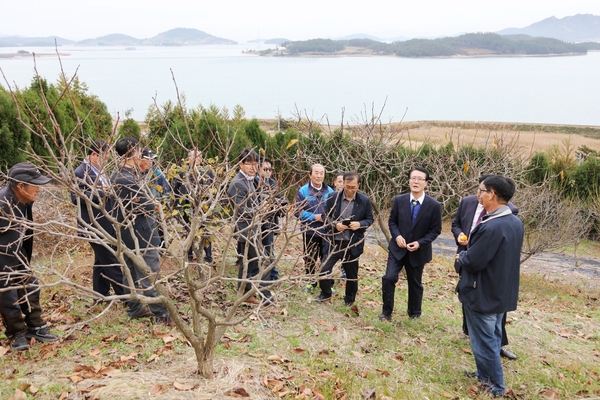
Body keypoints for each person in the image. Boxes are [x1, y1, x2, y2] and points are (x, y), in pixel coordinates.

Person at [455, 175, 524, 398]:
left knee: (484, 340)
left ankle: (495, 386)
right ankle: (483, 375)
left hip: (483, 292)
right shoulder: (514, 222)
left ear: (492, 194)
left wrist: (461, 257)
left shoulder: (493, 226)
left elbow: (474, 261)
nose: (479, 195)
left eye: (482, 191)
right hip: (500, 291)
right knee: (492, 337)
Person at [111, 137, 173, 325]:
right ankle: (161, 314)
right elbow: (147, 206)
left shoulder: (120, 174)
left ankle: (135, 307)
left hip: (128, 232)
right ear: (134, 153)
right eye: (138, 150)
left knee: (129, 271)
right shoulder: (126, 179)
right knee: (149, 273)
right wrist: (153, 205)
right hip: (141, 233)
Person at [0, 162, 58, 351]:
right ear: (20, 186)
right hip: (2, 256)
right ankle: (16, 331)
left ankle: (36, 325)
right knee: (7, 293)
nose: (39, 189)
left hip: (17, 250)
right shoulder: (2, 204)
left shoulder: (24, 200)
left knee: (30, 284)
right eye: (35, 184)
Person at [380, 167, 442, 321]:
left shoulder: (434, 205)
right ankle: (386, 312)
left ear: (426, 183)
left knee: (415, 283)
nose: (416, 181)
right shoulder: (399, 200)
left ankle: (414, 313)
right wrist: (398, 236)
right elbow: (392, 222)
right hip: (397, 249)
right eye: (413, 178)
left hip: (418, 251)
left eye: (420, 179)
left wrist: (420, 243)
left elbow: (435, 230)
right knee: (389, 277)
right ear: (408, 181)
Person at [72, 140, 126, 299]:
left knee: (101, 261)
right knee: (110, 260)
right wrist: (101, 193)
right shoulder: (80, 172)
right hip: (93, 224)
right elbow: (76, 199)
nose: (108, 159)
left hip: (106, 223)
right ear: (94, 154)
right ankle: (126, 297)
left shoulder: (100, 171)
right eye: (106, 155)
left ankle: (100, 294)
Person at [313, 172, 373, 306]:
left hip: (352, 243)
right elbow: (325, 216)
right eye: (347, 187)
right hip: (334, 242)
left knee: (351, 275)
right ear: (342, 184)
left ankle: (349, 300)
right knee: (324, 269)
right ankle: (325, 293)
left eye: (353, 187)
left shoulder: (364, 201)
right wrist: (335, 225)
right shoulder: (332, 197)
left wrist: (360, 224)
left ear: (358, 185)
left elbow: (369, 219)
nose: (350, 190)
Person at [227, 148, 273, 305]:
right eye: (249, 164)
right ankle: (267, 299)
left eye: (256, 164)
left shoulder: (249, 180)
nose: (253, 167)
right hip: (245, 229)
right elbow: (242, 210)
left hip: (252, 228)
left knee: (249, 262)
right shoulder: (238, 183)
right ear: (241, 164)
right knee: (263, 260)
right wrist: (260, 210)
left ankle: (244, 294)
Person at [294, 164, 334, 291]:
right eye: (316, 173)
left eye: (321, 173)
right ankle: (310, 281)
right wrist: (314, 217)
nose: (319, 176)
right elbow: (297, 211)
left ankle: (326, 284)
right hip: (310, 230)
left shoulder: (330, 191)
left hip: (327, 231)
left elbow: (335, 210)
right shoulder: (303, 191)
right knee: (310, 257)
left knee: (326, 258)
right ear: (309, 175)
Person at [172, 149, 215, 264]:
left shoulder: (207, 171)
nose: (198, 159)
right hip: (187, 205)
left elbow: (214, 187)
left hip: (203, 206)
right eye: (195, 157)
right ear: (189, 159)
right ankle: (189, 255)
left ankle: (208, 256)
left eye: (200, 157)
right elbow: (176, 189)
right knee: (188, 230)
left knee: (205, 231)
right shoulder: (183, 172)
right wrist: (177, 205)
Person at [256, 157, 281, 281]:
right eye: (265, 169)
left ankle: (272, 275)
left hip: (269, 222)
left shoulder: (273, 183)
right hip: (255, 222)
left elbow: (279, 199)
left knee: (269, 249)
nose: (268, 172)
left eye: (270, 169)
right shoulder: (253, 182)